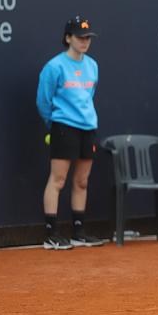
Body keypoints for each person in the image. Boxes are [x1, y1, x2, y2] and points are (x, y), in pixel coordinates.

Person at [36, 16, 105, 250]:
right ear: (68, 38)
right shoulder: (54, 67)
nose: (85, 41)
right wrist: (54, 124)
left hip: (88, 128)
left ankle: (78, 232)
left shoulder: (92, 65)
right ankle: (51, 234)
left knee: (82, 181)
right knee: (58, 180)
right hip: (63, 127)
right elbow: (43, 101)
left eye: (88, 37)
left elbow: (89, 96)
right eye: (80, 37)